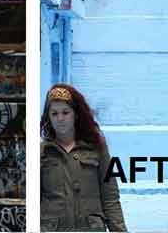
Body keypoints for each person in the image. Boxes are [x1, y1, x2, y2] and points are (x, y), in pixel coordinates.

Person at [40, 83, 127, 232]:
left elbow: (110, 197)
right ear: (48, 117)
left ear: (76, 114)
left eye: (65, 112)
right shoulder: (42, 152)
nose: (60, 118)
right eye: (54, 113)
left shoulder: (96, 147)